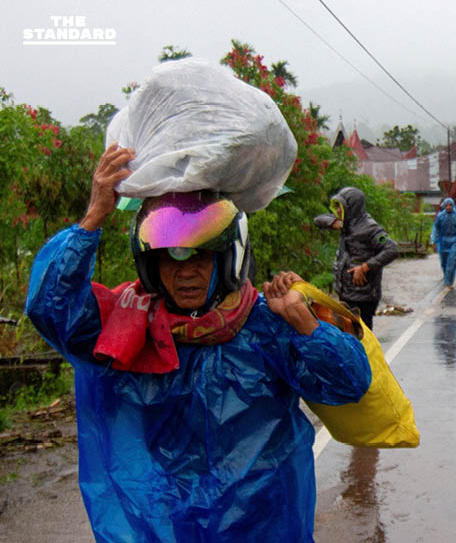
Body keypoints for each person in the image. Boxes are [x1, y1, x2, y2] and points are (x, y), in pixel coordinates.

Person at [25, 145, 372, 543]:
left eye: (201, 258)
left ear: (229, 259)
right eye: (171, 259)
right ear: (151, 266)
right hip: (162, 524)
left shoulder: (263, 324)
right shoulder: (128, 325)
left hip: (261, 523)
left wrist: (306, 323)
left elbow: (350, 383)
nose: (185, 273)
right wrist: (94, 216)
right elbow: (51, 311)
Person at [314, 186, 399, 330]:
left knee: (363, 336)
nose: (338, 210)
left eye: (341, 207)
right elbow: (318, 220)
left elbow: (392, 248)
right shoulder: (346, 224)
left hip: (364, 295)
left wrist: (365, 267)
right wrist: (335, 223)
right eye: (337, 207)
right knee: (349, 335)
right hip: (346, 292)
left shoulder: (371, 228)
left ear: (352, 207)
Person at [430, 197, 456, 288]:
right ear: (444, 206)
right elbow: (436, 229)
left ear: (453, 205)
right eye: (447, 205)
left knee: (452, 261)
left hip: (455, 240)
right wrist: (434, 240)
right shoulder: (440, 216)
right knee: (444, 262)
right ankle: (446, 276)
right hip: (443, 241)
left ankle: (449, 282)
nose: (449, 207)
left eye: (450, 205)